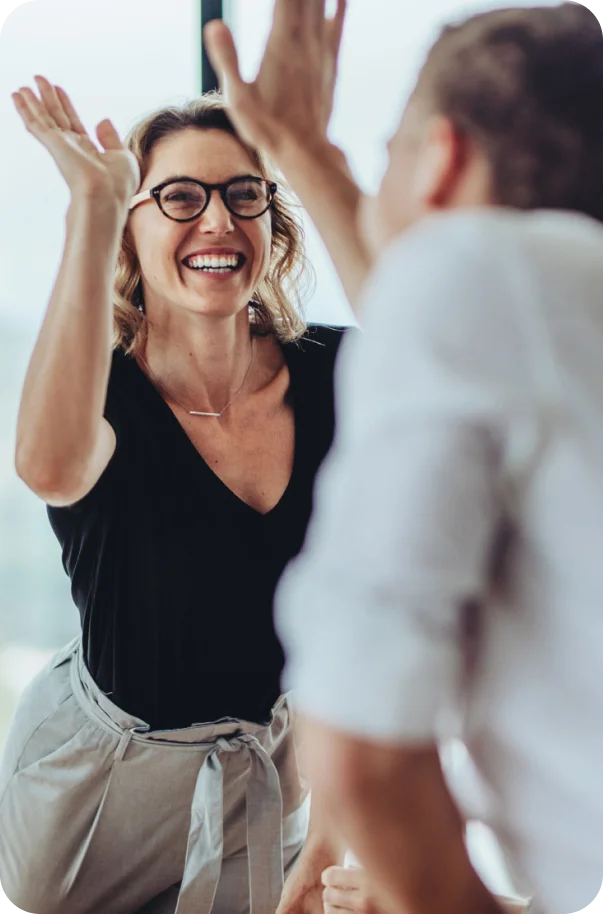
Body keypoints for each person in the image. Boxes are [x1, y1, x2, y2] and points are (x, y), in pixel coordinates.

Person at [204, 2, 603, 913]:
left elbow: (361, 743)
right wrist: (307, 148)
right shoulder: (550, 307)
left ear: (443, 159)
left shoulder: (477, 270)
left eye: (384, 148)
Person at [1, 74, 352, 914]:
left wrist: (335, 835)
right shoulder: (102, 394)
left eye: (243, 195)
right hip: (95, 789)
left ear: (273, 221)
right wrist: (92, 205)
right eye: (180, 197)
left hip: (262, 776)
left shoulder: (341, 375)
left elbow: (366, 626)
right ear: (132, 231)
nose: (218, 221)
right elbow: (48, 469)